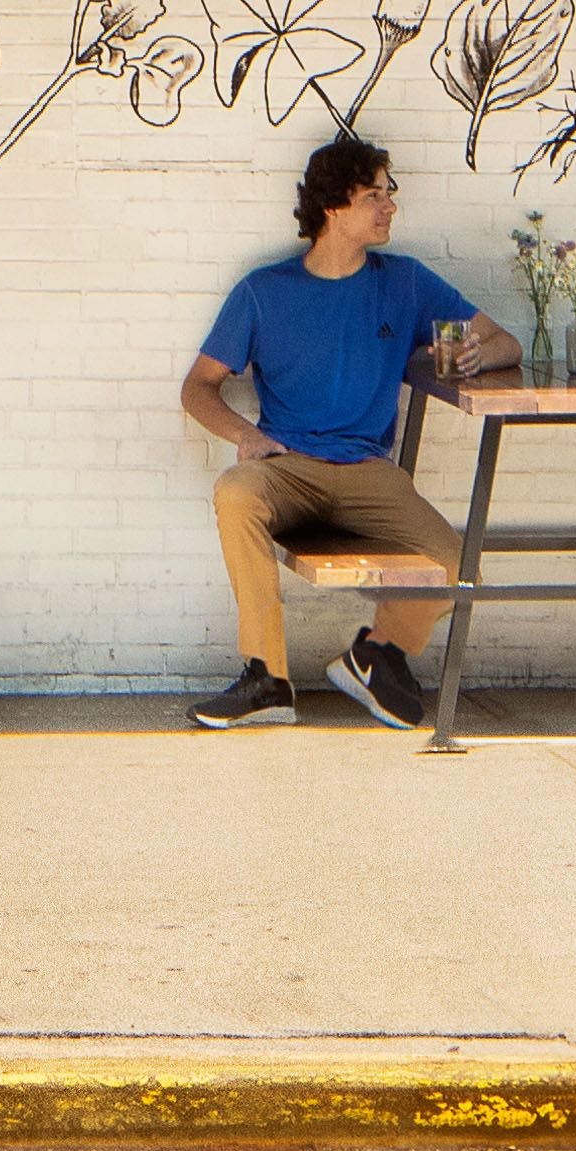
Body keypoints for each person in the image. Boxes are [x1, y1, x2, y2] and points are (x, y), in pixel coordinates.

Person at [181, 133, 509, 734]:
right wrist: (244, 436)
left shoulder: (405, 282)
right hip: (287, 467)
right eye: (373, 196)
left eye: (390, 194)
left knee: (455, 564)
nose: (390, 207)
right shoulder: (264, 291)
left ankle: (376, 654)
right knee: (235, 494)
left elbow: (503, 340)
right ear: (334, 206)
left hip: (368, 472)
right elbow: (198, 387)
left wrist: (475, 358)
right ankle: (267, 678)